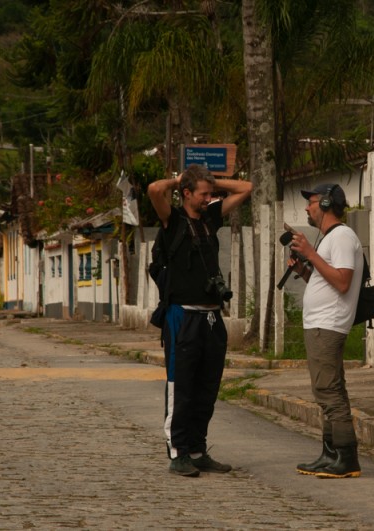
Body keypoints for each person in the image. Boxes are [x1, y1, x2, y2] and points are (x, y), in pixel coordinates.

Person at [147, 163, 252, 477]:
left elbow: (245, 188)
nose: (209, 198)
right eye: (202, 194)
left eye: (211, 194)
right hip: (182, 316)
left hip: (211, 317)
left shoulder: (209, 217)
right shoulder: (172, 219)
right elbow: (154, 190)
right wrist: (180, 178)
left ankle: (197, 449)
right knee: (182, 388)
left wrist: (212, 182)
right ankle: (178, 452)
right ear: (186, 193)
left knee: (207, 388)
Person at [288, 183, 364, 479]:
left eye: (311, 202)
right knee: (327, 389)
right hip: (321, 323)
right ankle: (330, 453)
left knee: (328, 391)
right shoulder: (330, 238)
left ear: (326, 203)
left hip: (328, 325)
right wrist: (304, 270)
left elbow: (343, 281)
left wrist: (311, 253)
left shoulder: (342, 236)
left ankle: (346, 458)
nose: (307, 207)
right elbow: (328, 282)